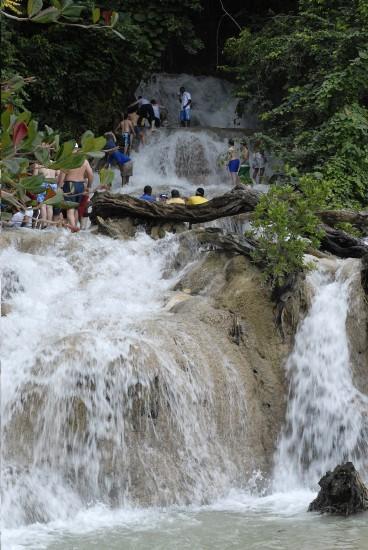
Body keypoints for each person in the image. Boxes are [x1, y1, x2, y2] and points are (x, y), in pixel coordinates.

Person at [58, 146, 93, 229]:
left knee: (70, 208)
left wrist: (59, 188)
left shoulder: (67, 160)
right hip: (80, 185)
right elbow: (91, 175)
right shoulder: (84, 161)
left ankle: (73, 228)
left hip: (69, 185)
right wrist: (88, 186)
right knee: (76, 209)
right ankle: (75, 228)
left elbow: (62, 177)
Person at [33, 163, 60, 228]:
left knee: (43, 206)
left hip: (43, 184)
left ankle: (44, 224)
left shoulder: (38, 165)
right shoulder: (54, 163)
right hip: (53, 184)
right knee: (49, 206)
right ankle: (49, 225)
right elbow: (58, 174)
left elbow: (34, 177)